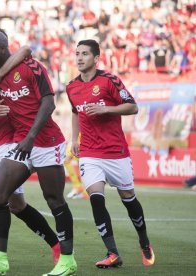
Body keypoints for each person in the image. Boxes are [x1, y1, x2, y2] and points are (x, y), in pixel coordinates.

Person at [0, 31, 77, 276]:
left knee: (54, 199)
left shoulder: (31, 68)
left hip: (46, 141)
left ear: (2, 50)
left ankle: (67, 260)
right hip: (20, 143)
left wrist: (31, 136)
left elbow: (49, 102)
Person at [66, 39, 155, 268]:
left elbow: (132, 106)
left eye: (85, 54)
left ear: (96, 58)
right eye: (77, 53)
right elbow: (76, 112)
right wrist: (74, 137)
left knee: (129, 200)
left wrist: (107, 108)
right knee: (96, 199)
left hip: (116, 152)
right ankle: (112, 252)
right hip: (89, 153)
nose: (79, 58)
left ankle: (144, 241)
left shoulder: (109, 80)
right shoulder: (71, 87)